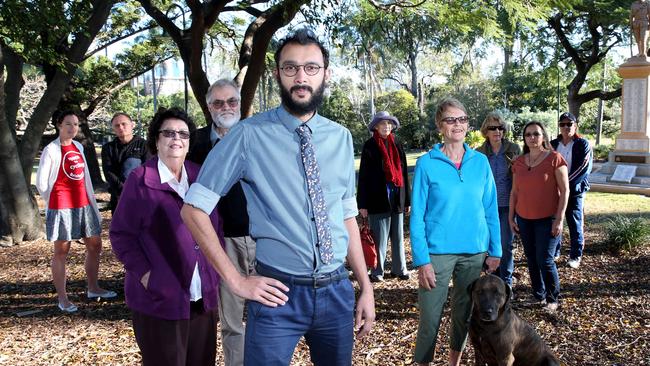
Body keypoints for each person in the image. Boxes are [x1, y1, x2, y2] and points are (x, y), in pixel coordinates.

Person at [181, 28, 375, 365]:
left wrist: (365, 285)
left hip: (336, 292)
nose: (301, 77)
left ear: (325, 74)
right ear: (277, 74)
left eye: (311, 68)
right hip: (276, 295)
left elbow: (346, 215)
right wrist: (236, 280)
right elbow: (194, 209)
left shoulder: (341, 138)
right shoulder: (247, 135)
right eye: (290, 68)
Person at [110, 108, 221, 366]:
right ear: (156, 140)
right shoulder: (140, 180)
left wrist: (215, 273)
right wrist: (150, 277)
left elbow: (217, 227)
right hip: (160, 299)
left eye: (183, 134)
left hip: (202, 297)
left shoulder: (199, 176)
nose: (176, 139)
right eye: (168, 133)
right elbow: (121, 236)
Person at [410, 98, 501, 366]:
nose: (457, 125)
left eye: (462, 119)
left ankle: (454, 362)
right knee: (430, 316)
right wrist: (422, 259)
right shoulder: (427, 163)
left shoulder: (481, 162)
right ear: (440, 125)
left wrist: (495, 249)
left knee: (463, 313)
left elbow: (490, 209)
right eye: (451, 120)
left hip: (474, 251)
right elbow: (417, 215)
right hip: (437, 253)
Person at [187, 79, 255, 366]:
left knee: (270, 317)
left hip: (265, 239)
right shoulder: (197, 145)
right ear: (208, 106)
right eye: (218, 102)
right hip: (223, 241)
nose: (225, 107)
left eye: (231, 101)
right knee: (231, 320)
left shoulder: (258, 136)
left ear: (240, 103)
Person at [35, 110, 116, 313]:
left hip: (84, 204)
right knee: (61, 251)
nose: (73, 128)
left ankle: (93, 287)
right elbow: (42, 183)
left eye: (76, 124)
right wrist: (53, 201)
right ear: (59, 125)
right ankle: (62, 298)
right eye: (69, 124)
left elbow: (84, 177)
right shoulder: (51, 150)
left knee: (95, 245)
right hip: (61, 206)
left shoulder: (78, 146)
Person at [509, 121, 569, 313]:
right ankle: (539, 294)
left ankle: (553, 298)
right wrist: (511, 217)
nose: (532, 138)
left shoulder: (555, 158)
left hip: (548, 219)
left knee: (545, 259)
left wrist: (559, 219)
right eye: (528, 134)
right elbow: (514, 192)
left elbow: (565, 191)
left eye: (536, 134)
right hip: (524, 219)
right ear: (524, 138)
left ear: (543, 136)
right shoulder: (519, 162)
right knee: (531, 258)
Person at [357, 111, 410, 283]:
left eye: (389, 124)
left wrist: (407, 200)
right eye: (383, 124)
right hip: (377, 199)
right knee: (379, 238)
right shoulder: (370, 145)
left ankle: (399, 269)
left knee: (398, 236)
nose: (386, 126)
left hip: (396, 198)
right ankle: (377, 271)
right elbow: (363, 176)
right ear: (376, 126)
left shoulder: (398, 144)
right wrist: (362, 204)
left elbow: (403, 173)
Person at [475, 112, 521, 290]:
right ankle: (492, 281)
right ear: (485, 131)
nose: (497, 131)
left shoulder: (513, 149)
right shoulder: (479, 153)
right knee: (488, 245)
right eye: (493, 128)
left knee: (506, 245)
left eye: (500, 128)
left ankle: (506, 283)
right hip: (485, 207)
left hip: (506, 205)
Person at [551, 112, 592, 269]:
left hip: (575, 191)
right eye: (563, 124)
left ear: (575, 126)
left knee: (575, 222)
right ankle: (555, 251)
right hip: (554, 192)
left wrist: (564, 186)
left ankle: (575, 255)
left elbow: (582, 168)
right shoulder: (553, 144)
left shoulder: (583, 144)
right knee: (555, 222)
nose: (566, 127)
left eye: (569, 124)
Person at [101, 112, 148, 213]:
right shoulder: (108, 148)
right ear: (113, 128)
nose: (121, 127)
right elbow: (108, 172)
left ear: (132, 125)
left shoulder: (145, 145)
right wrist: (122, 191)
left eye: (124, 124)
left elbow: (148, 171)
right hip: (118, 196)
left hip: (140, 195)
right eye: (117, 125)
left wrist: (133, 191)